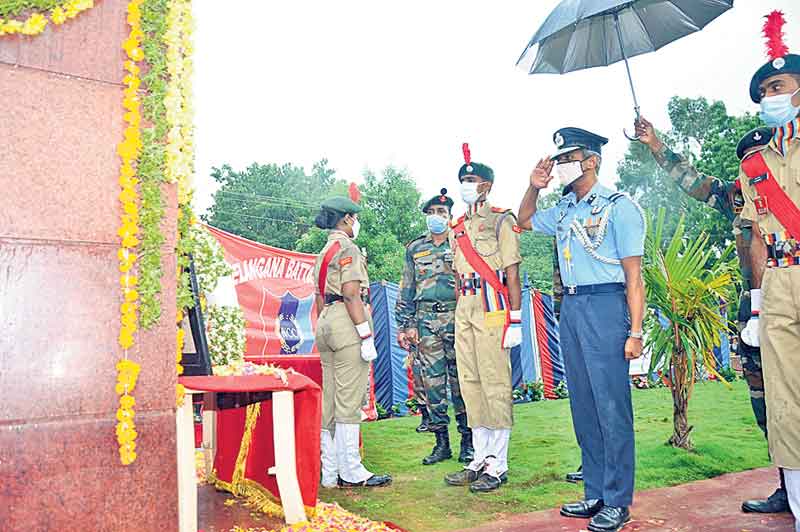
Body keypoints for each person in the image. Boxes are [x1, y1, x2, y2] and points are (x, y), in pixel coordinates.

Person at [635, 116, 789, 513]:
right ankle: (787, 483)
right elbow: (691, 180)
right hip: (755, 307)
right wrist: (655, 145)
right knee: (766, 399)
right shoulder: (738, 194)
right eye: (749, 166)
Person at [518, 128, 646, 532]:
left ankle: (618, 500)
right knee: (585, 405)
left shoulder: (618, 206)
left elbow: (633, 276)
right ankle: (595, 491)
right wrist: (533, 187)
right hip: (571, 306)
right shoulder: (564, 209)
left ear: (591, 160)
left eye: (569, 157)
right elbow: (523, 220)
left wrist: (636, 330)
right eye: (559, 159)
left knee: (611, 405)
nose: (560, 165)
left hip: (606, 304)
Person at [739, 13, 800, 529]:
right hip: (778, 282)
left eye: (777, 86)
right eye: (763, 92)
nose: (768, 97)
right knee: (785, 399)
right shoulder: (755, 162)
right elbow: (756, 235)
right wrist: (757, 304)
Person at [443, 144, 523, 493]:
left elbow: (512, 273)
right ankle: (479, 457)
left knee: (494, 383)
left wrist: (516, 321)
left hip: (493, 307)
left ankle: (498, 463)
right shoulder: (456, 226)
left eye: (472, 180)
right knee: (470, 383)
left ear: (487, 186)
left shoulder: (502, 220)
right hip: (465, 306)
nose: (466, 184)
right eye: (463, 179)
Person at [313, 196, 392, 489]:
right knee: (348, 401)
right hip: (347, 322)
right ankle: (352, 471)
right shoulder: (348, 248)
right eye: (354, 218)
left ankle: (330, 472)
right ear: (346, 219)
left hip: (326, 321)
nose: (355, 223)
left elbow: (319, 297)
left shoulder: (323, 251)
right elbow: (350, 292)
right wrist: (364, 333)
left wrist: (327, 327)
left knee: (330, 402)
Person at [396, 188, 474, 465]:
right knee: (432, 385)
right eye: (431, 213)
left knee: (462, 382)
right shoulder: (415, 248)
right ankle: (442, 444)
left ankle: (468, 441)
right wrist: (405, 324)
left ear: (450, 215)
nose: (436, 217)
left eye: (441, 212)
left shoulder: (462, 242)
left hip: (458, 318)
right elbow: (407, 288)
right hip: (426, 322)